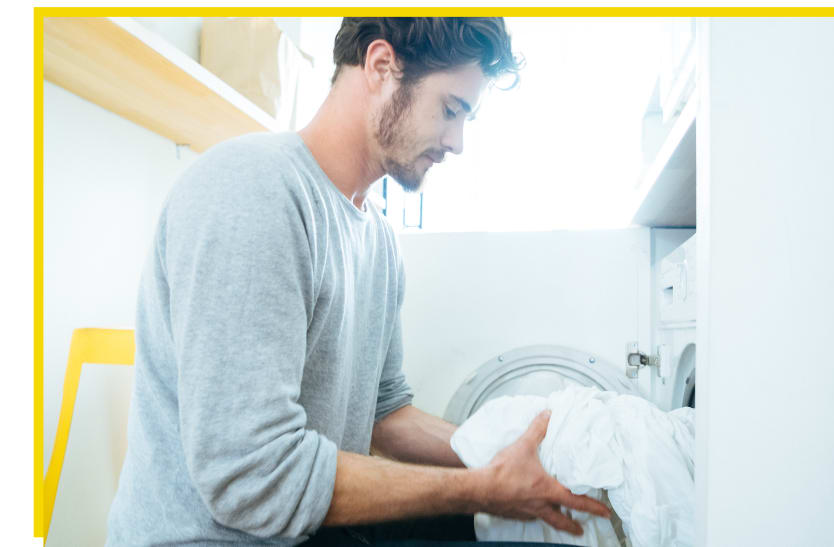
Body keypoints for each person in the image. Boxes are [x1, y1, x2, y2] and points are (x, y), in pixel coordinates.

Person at [106, 17, 610, 546]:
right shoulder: (252, 192)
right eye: (451, 109)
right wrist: (482, 488)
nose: (458, 142)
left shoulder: (379, 241)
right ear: (380, 66)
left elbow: (383, 415)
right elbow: (252, 478)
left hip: (309, 530)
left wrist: (509, 446)